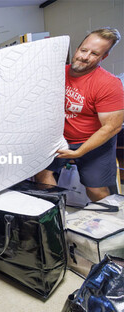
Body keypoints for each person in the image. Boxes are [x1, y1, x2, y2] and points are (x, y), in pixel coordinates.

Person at [35, 28, 124, 201]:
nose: (85, 56)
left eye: (94, 54)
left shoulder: (108, 84)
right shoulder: (57, 74)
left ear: (103, 57)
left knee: (96, 189)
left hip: (94, 142)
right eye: (83, 50)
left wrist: (80, 152)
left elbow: (112, 127)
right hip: (61, 138)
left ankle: (108, 223)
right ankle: (56, 214)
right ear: (77, 49)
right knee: (42, 175)